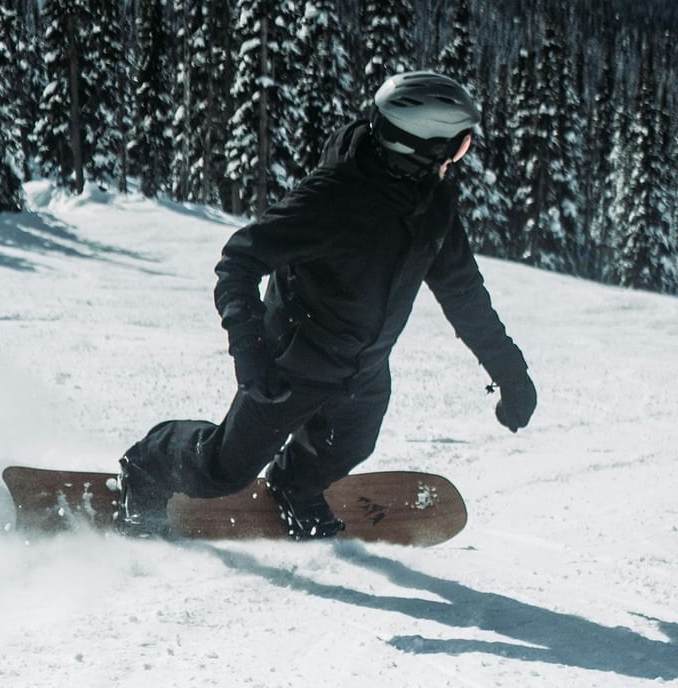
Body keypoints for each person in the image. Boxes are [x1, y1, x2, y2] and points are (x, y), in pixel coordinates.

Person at [115, 71, 537, 539]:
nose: (460, 158)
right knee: (223, 471)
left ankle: (294, 487)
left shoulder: (432, 205)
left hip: (364, 368)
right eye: (459, 147)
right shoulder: (333, 199)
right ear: (424, 146)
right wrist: (251, 349)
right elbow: (239, 261)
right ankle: (148, 464)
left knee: (348, 446)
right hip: (293, 362)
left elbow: (466, 297)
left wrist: (511, 374)